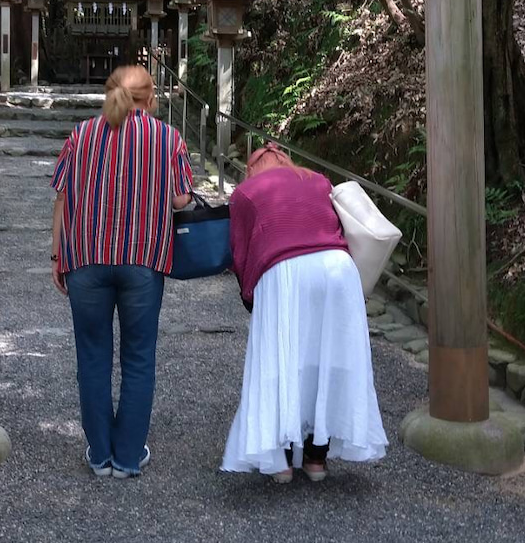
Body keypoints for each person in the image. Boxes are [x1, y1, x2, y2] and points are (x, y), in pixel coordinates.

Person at [51, 64, 193, 479]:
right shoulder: (167, 138)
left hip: (86, 258)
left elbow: (62, 195)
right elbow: (182, 198)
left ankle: (99, 455)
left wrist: (57, 254)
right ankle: (128, 456)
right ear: (150, 99)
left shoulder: (81, 135)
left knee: (92, 357)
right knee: (138, 357)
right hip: (143, 260)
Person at [221, 143, 387, 483]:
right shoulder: (319, 181)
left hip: (284, 272)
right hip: (338, 269)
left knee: (281, 361)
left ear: (253, 169)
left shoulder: (244, 193)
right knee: (327, 361)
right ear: (287, 162)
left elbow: (240, 253)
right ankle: (315, 459)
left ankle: (280, 460)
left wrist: (250, 296)